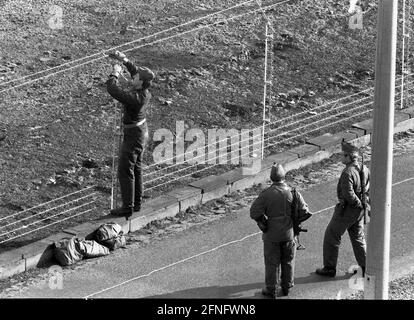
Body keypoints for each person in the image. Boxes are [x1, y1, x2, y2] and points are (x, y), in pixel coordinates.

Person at [250, 163, 313, 298]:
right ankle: (287, 287)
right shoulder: (293, 192)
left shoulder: (266, 194)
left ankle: (271, 289)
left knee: (272, 263)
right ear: (284, 176)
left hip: (271, 235)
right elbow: (305, 211)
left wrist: (263, 221)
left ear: (271, 177)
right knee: (288, 261)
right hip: (289, 233)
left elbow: (254, 212)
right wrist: (296, 222)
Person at [106, 50, 154, 217]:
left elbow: (114, 90)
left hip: (133, 136)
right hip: (140, 132)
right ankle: (136, 204)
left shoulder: (136, 98)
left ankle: (127, 208)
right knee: (137, 169)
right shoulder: (143, 90)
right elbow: (136, 72)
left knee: (125, 171)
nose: (132, 78)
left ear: (140, 83)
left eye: (135, 78)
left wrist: (115, 73)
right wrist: (124, 60)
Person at [315, 141, 370, 278]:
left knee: (332, 236)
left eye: (342, 155)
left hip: (347, 210)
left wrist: (357, 203)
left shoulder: (347, 172)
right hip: (360, 210)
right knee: (358, 238)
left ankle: (329, 268)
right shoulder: (364, 168)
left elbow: (348, 193)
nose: (341, 157)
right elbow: (368, 188)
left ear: (348, 156)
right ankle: (365, 267)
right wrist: (363, 205)